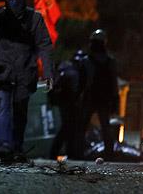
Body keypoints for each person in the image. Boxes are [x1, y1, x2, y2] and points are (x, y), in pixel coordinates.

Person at [0, 0, 54, 154]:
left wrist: (48, 72)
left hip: (25, 72)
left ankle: (17, 145)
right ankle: (4, 145)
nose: (15, 1)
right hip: (2, 72)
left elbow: (44, 45)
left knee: (20, 110)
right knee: (3, 108)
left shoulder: (34, 18)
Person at [80, 29, 119, 160]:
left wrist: (79, 97)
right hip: (103, 98)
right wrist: (115, 99)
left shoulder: (86, 61)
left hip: (91, 97)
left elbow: (83, 82)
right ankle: (109, 153)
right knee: (105, 127)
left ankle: (78, 153)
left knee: (83, 126)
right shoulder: (110, 61)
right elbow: (114, 83)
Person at [50, 49, 88, 159]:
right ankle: (60, 152)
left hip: (64, 102)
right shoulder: (73, 72)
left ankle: (68, 152)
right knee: (68, 127)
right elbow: (75, 89)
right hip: (69, 102)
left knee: (69, 127)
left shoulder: (64, 68)